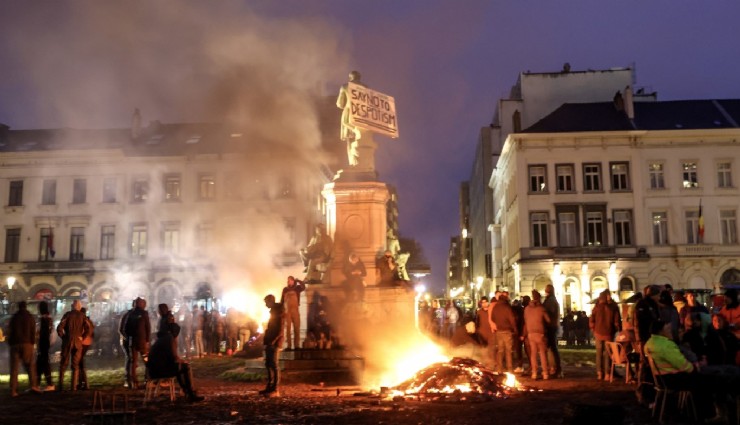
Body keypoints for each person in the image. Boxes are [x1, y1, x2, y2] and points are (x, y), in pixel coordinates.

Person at [147, 312, 204, 402]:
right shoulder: (170, 339)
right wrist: (181, 361)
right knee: (185, 367)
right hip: (160, 371)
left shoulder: (161, 339)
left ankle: (187, 391)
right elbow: (174, 357)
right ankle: (190, 393)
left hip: (153, 370)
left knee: (179, 368)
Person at [8, 301, 41, 396]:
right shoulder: (30, 317)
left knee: (14, 368)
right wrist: (33, 343)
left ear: (18, 307)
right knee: (30, 366)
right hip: (27, 344)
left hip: (15, 344)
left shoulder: (14, 318)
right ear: (26, 307)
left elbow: (10, 331)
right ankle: (33, 386)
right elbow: (33, 331)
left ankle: (13, 390)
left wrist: (11, 342)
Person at [57, 299, 90, 391]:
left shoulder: (67, 315)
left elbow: (59, 327)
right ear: (79, 307)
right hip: (78, 342)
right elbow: (88, 328)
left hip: (67, 341)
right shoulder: (83, 316)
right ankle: (73, 387)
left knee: (63, 364)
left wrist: (64, 337)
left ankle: (60, 386)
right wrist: (83, 337)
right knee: (75, 365)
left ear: (72, 306)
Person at [336, 70, 366, 166]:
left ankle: (353, 164)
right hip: (363, 116)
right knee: (362, 139)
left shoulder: (345, 86)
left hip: (349, 115)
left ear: (350, 77)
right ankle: (363, 163)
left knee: (350, 139)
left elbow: (340, 104)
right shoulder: (366, 88)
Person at [589, 290, 621, 380]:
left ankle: (599, 373)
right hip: (608, 333)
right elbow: (616, 321)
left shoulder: (597, 307)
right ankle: (607, 374)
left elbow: (591, 319)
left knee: (599, 353)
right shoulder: (613, 307)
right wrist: (617, 330)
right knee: (608, 354)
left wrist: (593, 329)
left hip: (598, 332)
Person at [123, 297, 151, 389]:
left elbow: (125, 329)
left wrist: (129, 337)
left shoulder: (130, 314)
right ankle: (147, 380)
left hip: (133, 342)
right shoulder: (144, 313)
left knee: (133, 362)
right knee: (147, 361)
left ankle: (134, 383)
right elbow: (148, 328)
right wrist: (147, 340)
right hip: (142, 342)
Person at [523, 290, 551, 380]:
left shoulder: (527, 309)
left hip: (530, 333)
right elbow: (548, 320)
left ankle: (534, 373)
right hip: (540, 333)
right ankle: (545, 373)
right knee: (542, 353)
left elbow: (526, 320)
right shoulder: (541, 308)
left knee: (533, 354)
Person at [261, 294, 284, 397]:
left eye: (266, 302)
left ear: (270, 301)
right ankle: (269, 387)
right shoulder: (274, 312)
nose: (265, 304)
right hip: (270, 342)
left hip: (274, 343)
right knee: (268, 364)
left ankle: (275, 389)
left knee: (274, 365)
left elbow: (280, 330)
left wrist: (273, 342)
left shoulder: (278, 312)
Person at [491, 292, 516, 373]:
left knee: (500, 351)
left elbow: (492, 318)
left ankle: (499, 368)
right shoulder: (507, 307)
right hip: (507, 331)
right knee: (508, 351)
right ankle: (509, 368)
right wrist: (515, 329)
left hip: (499, 331)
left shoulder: (495, 307)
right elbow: (512, 319)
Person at [280, 275, 306, 351]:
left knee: (296, 328)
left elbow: (303, 287)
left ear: (293, 281)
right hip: (287, 311)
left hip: (295, 310)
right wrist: (281, 310)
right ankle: (288, 346)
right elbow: (282, 300)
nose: (288, 282)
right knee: (287, 329)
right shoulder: (285, 289)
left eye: (290, 280)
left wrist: (298, 281)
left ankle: (297, 346)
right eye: (288, 281)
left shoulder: (297, 288)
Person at [542, 284, 562, 377]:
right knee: (552, 348)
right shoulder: (552, 300)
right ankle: (554, 367)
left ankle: (556, 368)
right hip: (552, 326)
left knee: (552, 348)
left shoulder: (550, 301)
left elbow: (549, 313)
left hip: (551, 327)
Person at [36, 300, 55, 391]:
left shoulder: (45, 319)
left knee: (44, 363)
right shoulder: (48, 318)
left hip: (43, 344)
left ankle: (50, 384)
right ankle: (37, 384)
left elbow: (44, 333)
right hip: (44, 344)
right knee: (39, 364)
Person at [77, 307, 95, 390]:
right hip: (87, 343)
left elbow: (88, 331)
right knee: (80, 361)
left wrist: (82, 338)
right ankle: (82, 383)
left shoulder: (83, 320)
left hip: (83, 343)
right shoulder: (88, 320)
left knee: (80, 362)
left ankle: (84, 383)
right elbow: (93, 331)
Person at [118, 299, 135, 385]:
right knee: (129, 358)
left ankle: (130, 377)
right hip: (126, 340)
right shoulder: (128, 315)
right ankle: (127, 378)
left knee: (131, 359)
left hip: (130, 340)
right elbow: (121, 329)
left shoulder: (131, 314)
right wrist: (127, 338)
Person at [475, 297, 494, 366]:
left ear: (488, 302)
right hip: (482, 333)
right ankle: (485, 363)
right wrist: (477, 331)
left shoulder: (491, 310)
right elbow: (477, 322)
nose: (484, 304)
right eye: (482, 302)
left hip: (490, 333)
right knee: (483, 349)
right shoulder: (479, 312)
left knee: (491, 350)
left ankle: (491, 364)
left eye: (485, 302)